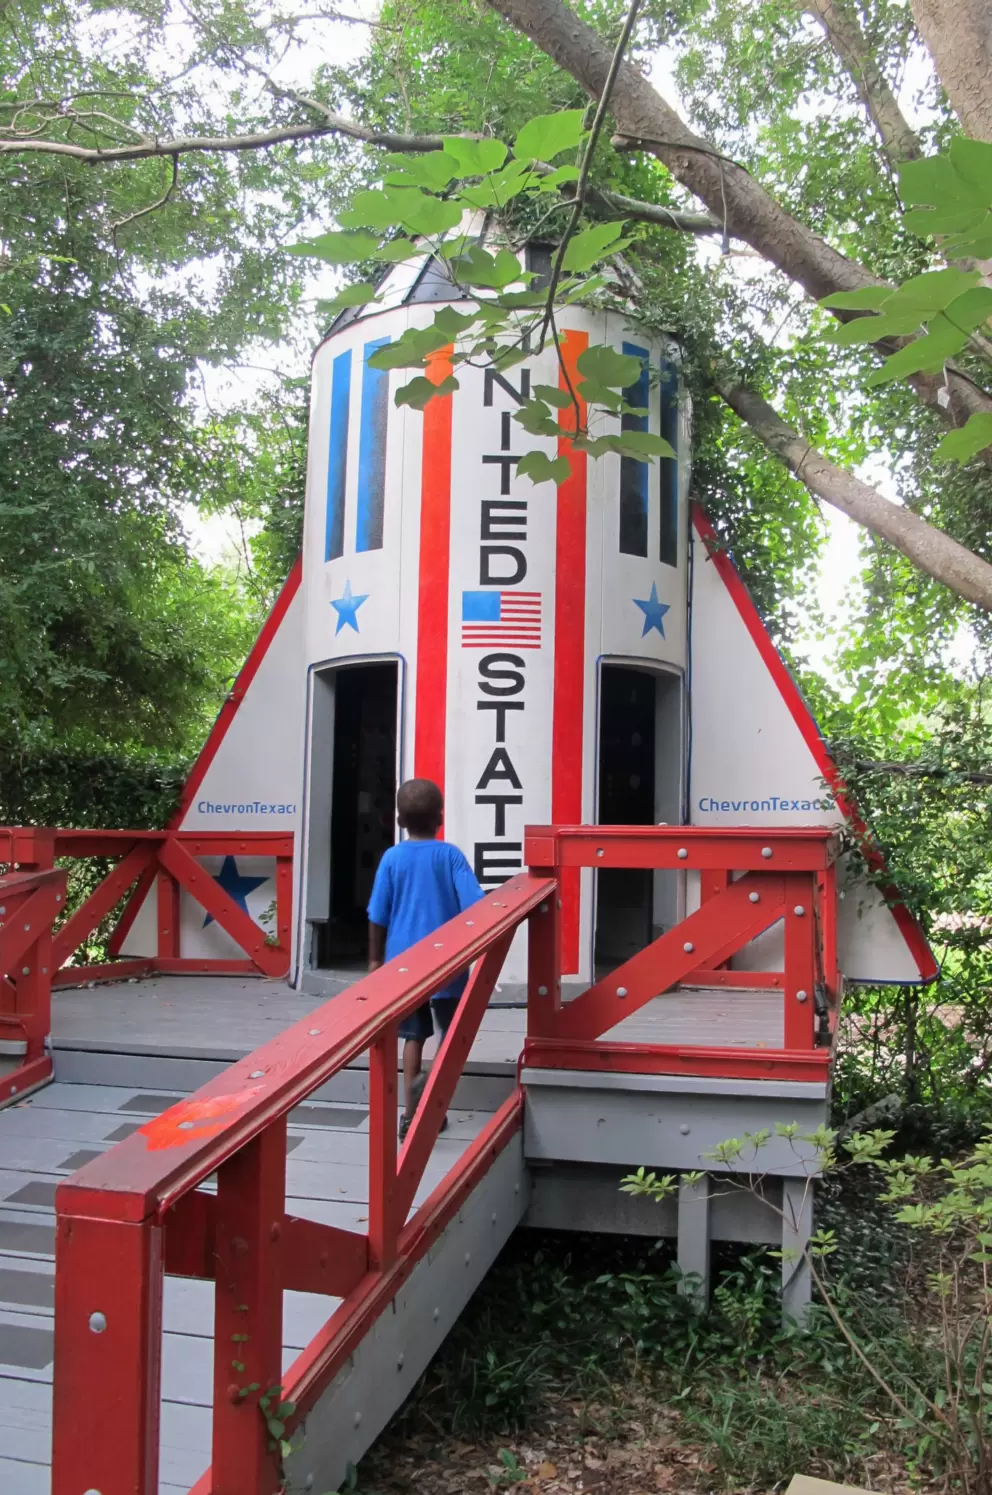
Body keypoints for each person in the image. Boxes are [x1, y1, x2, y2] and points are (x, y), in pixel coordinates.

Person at [367, 778, 483, 1140]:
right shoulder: (449, 855)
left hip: (404, 966)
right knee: (451, 1034)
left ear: (399, 820)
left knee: (412, 1036)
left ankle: (408, 1114)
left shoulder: (391, 858)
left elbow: (377, 914)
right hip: (447, 962)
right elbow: (476, 905)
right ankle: (432, 1084)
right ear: (440, 818)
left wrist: (374, 963)